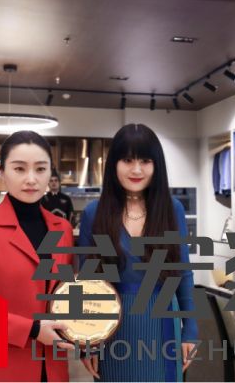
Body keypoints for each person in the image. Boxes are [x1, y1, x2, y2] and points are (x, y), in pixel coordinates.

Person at [78, 124, 198, 382]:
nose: (136, 170)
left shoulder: (172, 209)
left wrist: (190, 329)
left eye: (145, 161)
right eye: (127, 160)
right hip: (111, 326)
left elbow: (183, 273)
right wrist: (88, 340)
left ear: (157, 165)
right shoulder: (93, 213)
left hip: (163, 322)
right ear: (114, 164)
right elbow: (87, 283)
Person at [0, 131, 75, 382]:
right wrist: (33, 329)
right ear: (1, 171)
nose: (31, 179)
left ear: (50, 173)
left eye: (40, 169)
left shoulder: (63, 229)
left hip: (52, 368)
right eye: (19, 169)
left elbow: (65, 293)